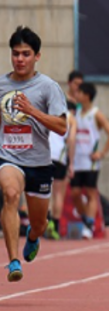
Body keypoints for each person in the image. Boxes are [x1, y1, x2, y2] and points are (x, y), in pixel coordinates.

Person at [1, 27, 68, 281]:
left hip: (39, 163)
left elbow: (62, 127)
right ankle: (14, 261)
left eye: (26, 54)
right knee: (9, 194)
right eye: (15, 54)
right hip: (8, 157)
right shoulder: (1, 85)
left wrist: (32, 111)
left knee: (39, 223)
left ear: (37, 56)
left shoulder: (48, 87)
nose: (20, 59)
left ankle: (32, 236)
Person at [69, 82, 109, 239]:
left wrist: (101, 153)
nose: (76, 95)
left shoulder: (96, 114)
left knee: (90, 193)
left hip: (90, 161)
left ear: (87, 95)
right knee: (75, 193)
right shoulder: (75, 113)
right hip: (76, 160)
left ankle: (89, 225)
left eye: (79, 92)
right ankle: (85, 219)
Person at [46, 104, 75, 239]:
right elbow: (72, 140)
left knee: (45, 192)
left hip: (45, 155)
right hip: (59, 157)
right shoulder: (70, 118)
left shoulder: (47, 112)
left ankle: (44, 222)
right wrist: (72, 163)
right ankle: (55, 224)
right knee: (58, 193)